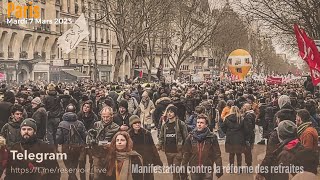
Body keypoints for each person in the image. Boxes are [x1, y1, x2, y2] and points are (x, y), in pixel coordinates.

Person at [182, 114, 223, 179]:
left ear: (206, 124)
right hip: (194, 169)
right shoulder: (190, 137)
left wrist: (219, 168)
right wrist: (183, 169)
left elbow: (217, 154)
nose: (199, 124)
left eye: (201, 122)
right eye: (198, 122)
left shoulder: (212, 137)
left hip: (207, 169)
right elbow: (186, 154)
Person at [157, 105, 188, 180]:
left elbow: (186, 138)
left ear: (175, 113)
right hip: (168, 152)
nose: (169, 113)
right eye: (168, 112)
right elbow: (161, 137)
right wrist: (158, 146)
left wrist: (185, 150)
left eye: (171, 112)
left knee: (175, 171)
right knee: (173, 170)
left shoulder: (181, 124)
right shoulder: (164, 125)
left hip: (178, 152)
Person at [128, 115, 163, 180]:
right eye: (135, 123)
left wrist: (158, 162)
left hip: (147, 160)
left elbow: (153, 148)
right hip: (135, 161)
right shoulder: (128, 135)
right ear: (131, 124)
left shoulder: (147, 134)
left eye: (139, 123)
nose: (137, 124)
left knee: (148, 177)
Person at [90, 106, 120, 180]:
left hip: (110, 156)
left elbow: (119, 142)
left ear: (111, 116)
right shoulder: (96, 125)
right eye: (103, 116)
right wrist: (98, 143)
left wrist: (111, 145)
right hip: (97, 155)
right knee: (96, 176)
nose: (105, 119)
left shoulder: (116, 127)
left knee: (110, 176)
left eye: (108, 117)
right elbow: (90, 139)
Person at [56, 112, 87, 180]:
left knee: (70, 170)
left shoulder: (62, 124)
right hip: (78, 149)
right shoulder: (80, 123)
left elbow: (59, 139)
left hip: (66, 149)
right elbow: (85, 136)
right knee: (73, 168)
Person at [221, 106, 245, 172]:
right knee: (239, 154)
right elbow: (244, 128)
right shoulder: (241, 118)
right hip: (239, 137)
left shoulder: (227, 118)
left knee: (231, 154)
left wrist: (227, 132)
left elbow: (222, 126)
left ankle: (231, 169)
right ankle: (239, 169)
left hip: (230, 136)